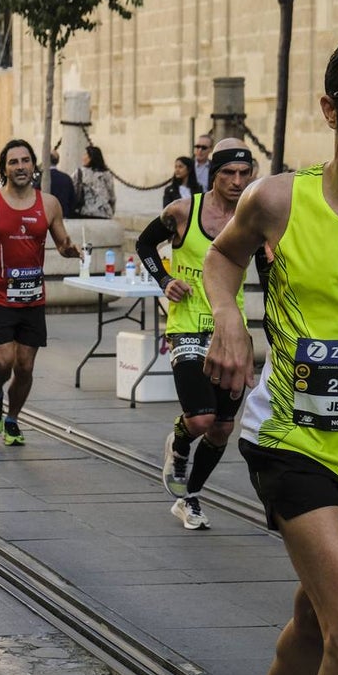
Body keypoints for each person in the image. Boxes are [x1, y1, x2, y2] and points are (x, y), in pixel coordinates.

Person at [203, 35, 338, 675]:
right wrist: (228, 321)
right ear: (331, 111)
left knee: (315, 623)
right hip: (294, 441)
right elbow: (221, 258)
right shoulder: (279, 201)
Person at [136, 139, 253, 529]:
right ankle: (180, 440)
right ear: (213, 175)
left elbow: (273, 271)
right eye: (228, 174)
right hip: (187, 325)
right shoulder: (184, 211)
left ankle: (190, 498)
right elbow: (144, 243)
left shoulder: (255, 218)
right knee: (200, 420)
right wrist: (165, 280)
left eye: (244, 173)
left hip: (230, 331)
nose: (237, 182)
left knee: (222, 428)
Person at [0, 139, 82, 445]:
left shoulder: (50, 204)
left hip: (32, 298)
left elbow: (63, 242)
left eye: (25, 160)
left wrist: (71, 250)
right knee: (3, 361)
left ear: (33, 166)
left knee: (25, 367)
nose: (20, 167)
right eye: (13, 162)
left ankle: (12, 420)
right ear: (4, 168)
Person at [72, 145, 116, 219]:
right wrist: (111, 210)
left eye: (85, 154)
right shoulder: (107, 174)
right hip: (104, 212)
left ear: (90, 158)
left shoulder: (80, 172)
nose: (83, 157)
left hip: (84, 211)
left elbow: (71, 187)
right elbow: (111, 195)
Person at [45, 150, 77, 218]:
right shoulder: (67, 178)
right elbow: (72, 200)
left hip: (46, 216)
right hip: (63, 216)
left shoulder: (42, 178)